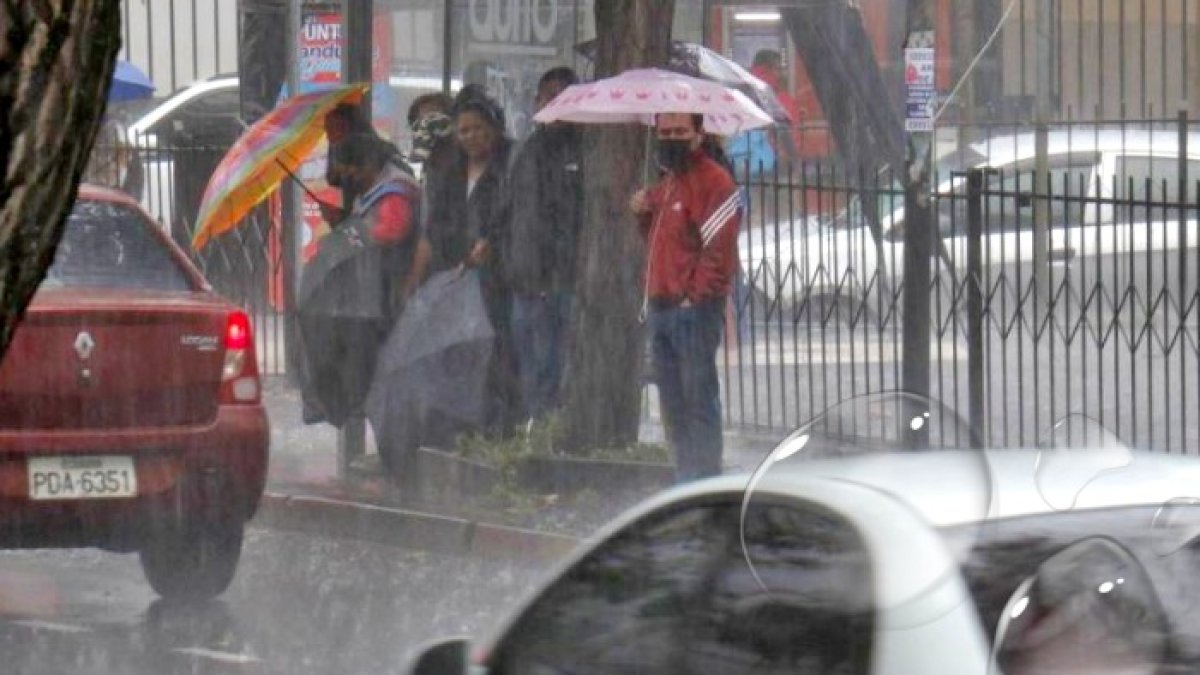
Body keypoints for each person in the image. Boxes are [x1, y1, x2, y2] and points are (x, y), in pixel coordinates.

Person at [629, 113, 741, 483]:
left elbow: (718, 251)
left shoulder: (714, 181)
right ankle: (684, 474)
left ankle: (702, 478)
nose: (671, 138)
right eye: (665, 133)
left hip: (689, 310)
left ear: (698, 134)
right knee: (673, 403)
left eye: (679, 131)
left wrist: (695, 298)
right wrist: (643, 214)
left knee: (697, 399)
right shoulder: (668, 182)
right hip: (663, 306)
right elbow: (662, 241)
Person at [299, 133, 423, 427]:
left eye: (351, 169)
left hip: (385, 293)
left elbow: (389, 232)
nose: (348, 176)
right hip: (371, 292)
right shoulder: (377, 187)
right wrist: (344, 221)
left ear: (369, 163)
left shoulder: (394, 192)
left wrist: (350, 229)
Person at [424, 87, 522, 434]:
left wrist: (493, 243)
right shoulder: (451, 169)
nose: (472, 137)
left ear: (494, 126)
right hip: (458, 277)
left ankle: (501, 428)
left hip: (499, 280)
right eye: (464, 130)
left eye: (478, 128)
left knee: (498, 355)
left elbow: (517, 216)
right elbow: (439, 223)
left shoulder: (511, 164)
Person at [502, 67, 582, 422]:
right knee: (530, 368)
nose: (554, 104)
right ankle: (535, 431)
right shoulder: (526, 151)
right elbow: (510, 212)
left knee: (554, 367)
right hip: (525, 280)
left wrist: (559, 270)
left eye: (563, 97)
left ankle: (549, 433)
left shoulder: (582, 150)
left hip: (561, 281)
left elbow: (572, 218)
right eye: (548, 96)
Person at [319, 103, 413, 226]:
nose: (329, 137)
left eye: (332, 128)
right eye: (327, 130)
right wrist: (339, 218)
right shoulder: (342, 154)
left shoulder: (389, 169)